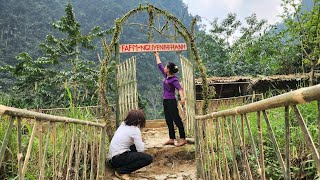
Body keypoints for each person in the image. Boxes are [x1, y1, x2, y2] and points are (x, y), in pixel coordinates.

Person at [154, 51, 187, 147]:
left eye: (166, 67)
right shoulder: (166, 76)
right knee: (168, 119)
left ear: (168, 70)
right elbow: (160, 65)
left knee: (176, 119)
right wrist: (156, 55)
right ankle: (171, 139)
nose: (164, 68)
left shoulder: (174, 80)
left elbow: (180, 89)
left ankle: (182, 138)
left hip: (172, 101)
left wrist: (182, 98)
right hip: (165, 101)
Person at [108, 109, 153, 180]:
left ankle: (121, 168)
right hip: (119, 158)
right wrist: (141, 141)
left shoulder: (123, 125)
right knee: (148, 158)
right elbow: (140, 149)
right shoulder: (135, 130)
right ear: (139, 120)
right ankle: (121, 171)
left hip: (113, 159)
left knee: (133, 147)